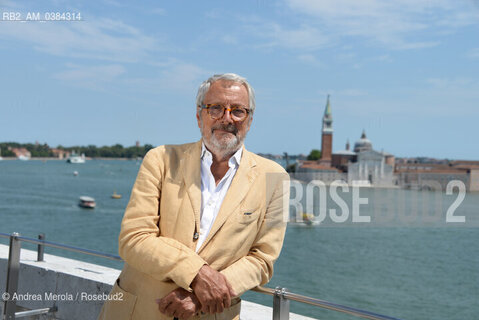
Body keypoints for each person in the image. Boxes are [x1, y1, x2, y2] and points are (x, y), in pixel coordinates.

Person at [98, 73, 289, 320]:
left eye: (238, 111)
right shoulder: (161, 160)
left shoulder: (274, 178)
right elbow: (133, 238)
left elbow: (262, 260)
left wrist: (199, 297)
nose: (226, 118)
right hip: (138, 311)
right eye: (216, 108)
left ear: (249, 120)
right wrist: (196, 274)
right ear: (199, 116)